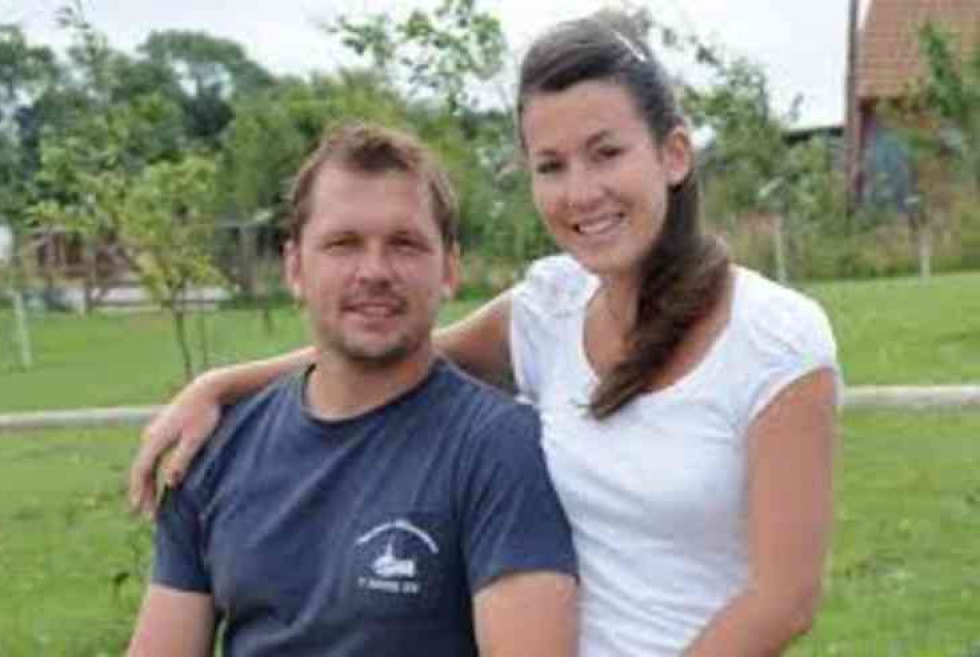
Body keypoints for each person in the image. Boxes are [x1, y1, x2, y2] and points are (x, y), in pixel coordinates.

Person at [131, 11, 840, 657]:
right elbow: (388, 349)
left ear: (674, 154)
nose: (582, 191)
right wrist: (220, 385)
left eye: (607, 153)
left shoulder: (774, 339)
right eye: (551, 166)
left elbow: (783, 601)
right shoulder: (549, 309)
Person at [126, 122, 579, 657]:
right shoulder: (214, 448)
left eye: (405, 244)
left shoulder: (498, 449)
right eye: (343, 244)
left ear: (449, 269)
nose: (374, 271)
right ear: (295, 267)